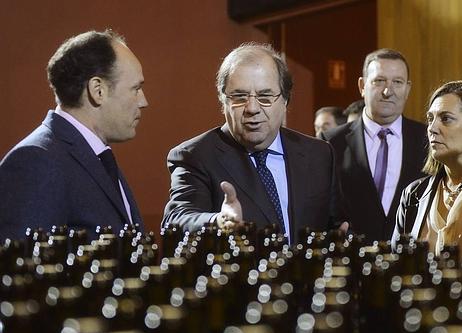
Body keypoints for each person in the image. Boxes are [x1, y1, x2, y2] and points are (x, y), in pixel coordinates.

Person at [162, 43, 347, 243]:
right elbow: (176, 219)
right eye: (239, 97)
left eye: (265, 97)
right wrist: (219, 221)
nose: (252, 108)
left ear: (285, 100)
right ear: (223, 101)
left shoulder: (318, 153)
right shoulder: (195, 155)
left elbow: (336, 223)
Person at [0, 30, 147, 240]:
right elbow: (20, 266)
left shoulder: (95, 155)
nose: (144, 101)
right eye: (136, 88)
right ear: (98, 90)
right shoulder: (36, 160)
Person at [321, 48, 426, 243]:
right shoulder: (330, 143)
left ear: (408, 89)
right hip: (350, 261)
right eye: (379, 81)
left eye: (397, 82)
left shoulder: (427, 140)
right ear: (362, 85)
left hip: (411, 263)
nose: (388, 91)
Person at [391, 81, 462, 257]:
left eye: (446, 119)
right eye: (430, 119)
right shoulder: (414, 193)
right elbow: (397, 263)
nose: (432, 128)